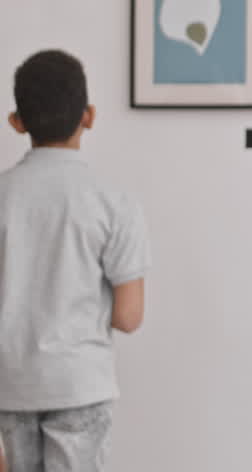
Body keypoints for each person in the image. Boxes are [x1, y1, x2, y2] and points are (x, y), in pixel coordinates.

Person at [0, 50, 150, 472]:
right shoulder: (113, 202)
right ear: (89, 115)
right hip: (79, 384)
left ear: (17, 121)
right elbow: (128, 315)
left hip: (11, 386)